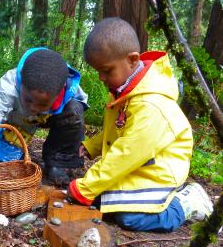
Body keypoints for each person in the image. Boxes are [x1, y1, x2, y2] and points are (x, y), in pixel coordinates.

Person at [67, 17, 213, 232]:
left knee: (130, 218)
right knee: (100, 201)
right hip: (140, 167)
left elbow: (128, 152)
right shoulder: (125, 90)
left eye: (106, 71)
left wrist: (87, 187)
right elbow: (120, 129)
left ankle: (187, 202)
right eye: (98, 71)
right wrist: (93, 146)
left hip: (159, 171)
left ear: (132, 60)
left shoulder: (151, 104)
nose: (101, 77)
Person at [0, 47, 88, 186]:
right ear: (21, 85)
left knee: (74, 111)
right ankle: (4, 148)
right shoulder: (10, 84)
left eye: (42, 103)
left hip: (51, 116)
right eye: (28, 100)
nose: (34, 108)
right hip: (18, 120)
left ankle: (60, 161)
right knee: (2, 164)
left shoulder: (69, 88)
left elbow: (78, 113)